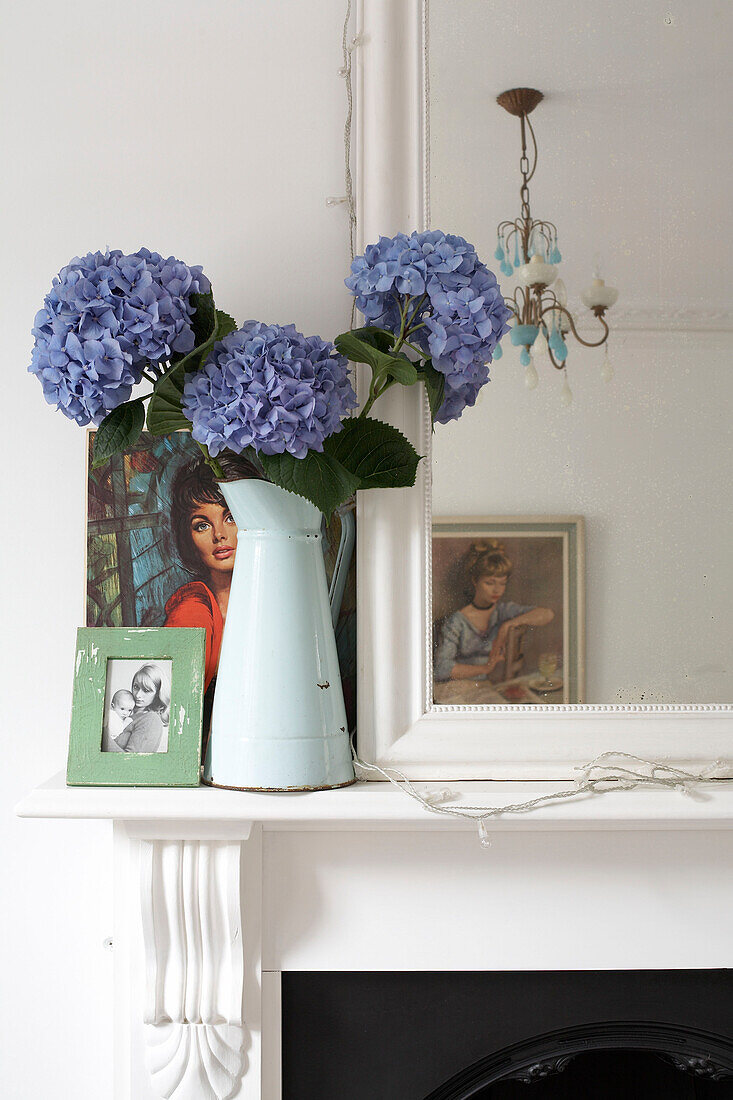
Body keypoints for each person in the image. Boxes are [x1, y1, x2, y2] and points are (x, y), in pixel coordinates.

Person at [163, 455, 255, 692]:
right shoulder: (190, 611)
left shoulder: (277, 598)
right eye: (202, 525)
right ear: (188, 538)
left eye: (231, 517)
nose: (219, 535)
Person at [433, 540, 554, 683]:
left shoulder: (503, 611)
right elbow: (441, 669)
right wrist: (485, 668)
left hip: (493, 687)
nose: (497, 590)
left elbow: (547, 614)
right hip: (460, 688)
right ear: (475, 580)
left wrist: (507, 626)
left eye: (502, 583)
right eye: (489, 583)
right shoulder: (457, 621)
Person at [117, 664, 170, 753]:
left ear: (157, 694)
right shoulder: (126, 711)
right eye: (136, 687)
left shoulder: (151, 720)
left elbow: (132, 761)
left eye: (146, 690)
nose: (138, 695)